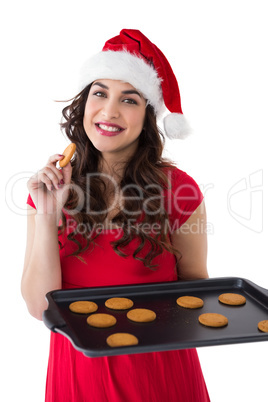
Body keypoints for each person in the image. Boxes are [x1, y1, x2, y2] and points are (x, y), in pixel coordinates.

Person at [22, 29, 210, 401]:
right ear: (84, 102)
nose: (109, 111)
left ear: (148, 115)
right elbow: (38, 307)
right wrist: (47, 215)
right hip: (78, 377)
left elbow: (196, 297)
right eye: (100, 93)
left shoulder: (180, 190)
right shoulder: (50, 188)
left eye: (129, 99)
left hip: (159, 376)